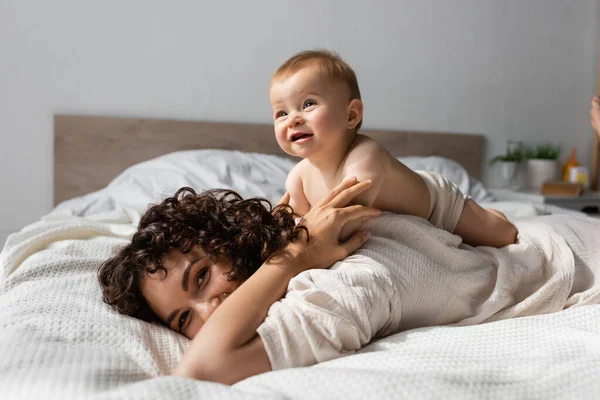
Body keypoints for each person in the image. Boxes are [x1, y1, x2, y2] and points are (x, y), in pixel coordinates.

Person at [98, 177, 600, 385]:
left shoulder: (346, 283)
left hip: (577, 258)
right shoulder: (302, 238)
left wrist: (291, 258)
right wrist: (293, 253)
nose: (212, 312)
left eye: (203, 276)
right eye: (184, 317)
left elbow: (205, 367)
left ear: (231, 241)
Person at [269, 50, 517, 247]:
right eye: (281, 112)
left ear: (351, 115)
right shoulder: (298, 177)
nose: (293, 119)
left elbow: (344, 224)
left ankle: (494, 214)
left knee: (502, 235)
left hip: (438, 206)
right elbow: (295, 222)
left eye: (308, 103)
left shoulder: (365, 157)